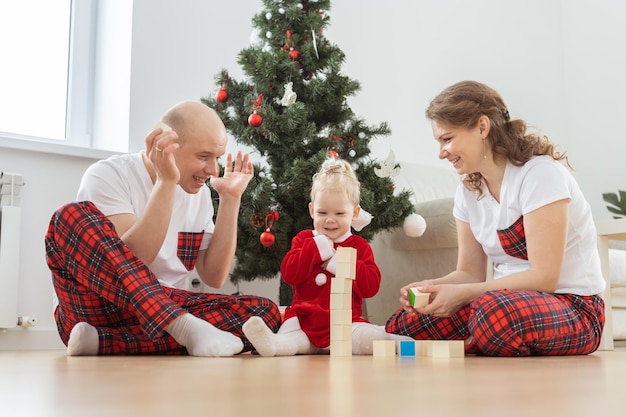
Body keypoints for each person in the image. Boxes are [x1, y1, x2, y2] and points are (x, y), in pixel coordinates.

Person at [386, 80, 606, 357]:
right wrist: (433, 288)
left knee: (490, 315)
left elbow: (545, 278)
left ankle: (472, 342)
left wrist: (468, 294)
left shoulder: (540, 176)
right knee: (403, 325)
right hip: (499, 302)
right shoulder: (467, 193)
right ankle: (478, 343)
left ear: (481, 127)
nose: (441, 152)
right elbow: (468, 273)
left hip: (572, 308)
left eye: (447, 139)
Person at [45, 100, 281, 357]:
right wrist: (166, 182)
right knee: (68, 216)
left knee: (265, 314)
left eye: (217, 158)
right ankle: (181, 326)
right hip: (96, 305)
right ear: (166, 145)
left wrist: (230, 199)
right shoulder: (107, 175)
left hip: (158, 309)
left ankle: (103, 342)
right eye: (204, 157)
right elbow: (131, 263)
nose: (213, 170)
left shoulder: (199, 194)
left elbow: (214, 277)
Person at [242, 157, 410, 356]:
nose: (330, 220)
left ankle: (390, 339)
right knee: (292, 343)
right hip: (304, 322)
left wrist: (340, 263)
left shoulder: (358, 246)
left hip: (346, 323)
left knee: (370, 342)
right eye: (322, 212)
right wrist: (314, 249)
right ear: (312, 210)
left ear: (354, 213)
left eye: (339, 213)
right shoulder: (304, 239)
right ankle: (273, 345)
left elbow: (371, 287)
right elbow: (289, 274)